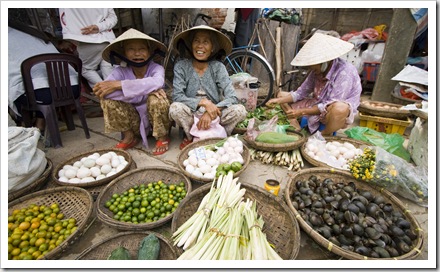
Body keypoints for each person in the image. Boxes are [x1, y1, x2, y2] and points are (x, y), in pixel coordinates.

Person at [266, 32, 362, 136]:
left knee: (339, 109)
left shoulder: (345, 72)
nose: (311, 68)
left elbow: (328, 105)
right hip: (317, 103)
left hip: (332, 110)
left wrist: (301, 112)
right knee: (281, 95)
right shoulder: (316, 71)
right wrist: (277, 100)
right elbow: (300, 93)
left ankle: (324, 135)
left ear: (324, 62)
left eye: (313, 65)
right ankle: (293, 121)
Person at [93, 28, 171, 155]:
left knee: (157, 99)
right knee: (107, 99)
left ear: (149, 51)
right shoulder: (120, 72)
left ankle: (162, 137)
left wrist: (120, 85)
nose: (137, 53)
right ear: (124, 53)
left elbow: (157, 82)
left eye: (142, 49)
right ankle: (129, 136)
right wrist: (144, 91)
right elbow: (104, 91)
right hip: (134, 120)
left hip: (156, 120)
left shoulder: (156, 68)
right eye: (131, 49)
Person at [169, 25, 247, 150]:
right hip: (191, 112)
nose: (200, 46)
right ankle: (191, 137)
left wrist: (210, 111)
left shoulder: (218, 67)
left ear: (212, 48)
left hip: (215, 114)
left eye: (206, 42)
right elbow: (177, 96)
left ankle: (219, 136)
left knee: (240, 110)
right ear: (191, 45)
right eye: (196, 41)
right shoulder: (181, 66)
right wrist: (203, 102)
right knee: (175, 108)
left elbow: (232, 96)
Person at [8, 20, 80, 133]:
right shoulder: (33, 31)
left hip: (43, 94)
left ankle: (25, 125)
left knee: (15, 87)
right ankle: (40, 120)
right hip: (72, 88)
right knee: (29, 82)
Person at [59, 8, 117, 88]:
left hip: (86, 39)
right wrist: (99, 27)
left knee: (86, 70)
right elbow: (113, 18)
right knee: (107, 68)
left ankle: (105, 90)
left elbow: (64, 19)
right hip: (108, 39)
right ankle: (113, 94)